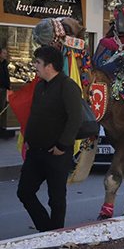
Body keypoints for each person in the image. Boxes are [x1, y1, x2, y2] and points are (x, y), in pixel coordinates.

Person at [17, 46, 82, 231]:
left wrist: (62, 145)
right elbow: (35, 115)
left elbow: (75, 118)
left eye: (38, 62)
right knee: (24, 192)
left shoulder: (67, 86)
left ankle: (56, 236)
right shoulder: (40, 86)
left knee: (57, 200)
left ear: (50, 66)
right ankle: (46, 230)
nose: (34, 65)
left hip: (57, 154)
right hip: (35, 152)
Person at [0, 46, 11, 138]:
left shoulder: (4, 64)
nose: (5, 54)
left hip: (3, 89)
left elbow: (6, 76)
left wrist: (8, 86)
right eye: (4, 53)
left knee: (1, 109)